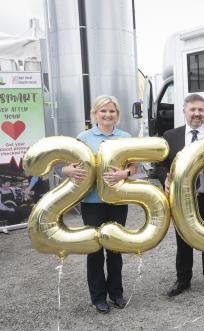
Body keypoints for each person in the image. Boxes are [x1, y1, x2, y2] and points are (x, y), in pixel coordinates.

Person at [62, 95, 137, 313]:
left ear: (117, 115)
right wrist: (69, 171)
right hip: (91, 201)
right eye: (103, 111)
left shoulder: (125, 137)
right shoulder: (83, 137)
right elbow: (67, 167)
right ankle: (98, 297)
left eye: (112, 111)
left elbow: (134, 168)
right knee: (94, 249)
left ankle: (116, 293)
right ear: (95, 114)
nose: (107, 115)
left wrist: (124, 173)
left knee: (115, 247)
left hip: (118, 200)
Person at [157, 93, 204, 297]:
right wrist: (166, 179)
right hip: (182, 199)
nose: (197, 114)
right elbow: (160, 166)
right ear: (184, 111)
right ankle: (183, 280)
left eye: (201, 110)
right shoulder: (170, 136)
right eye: (193, 110)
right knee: (183, 241)